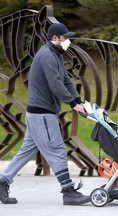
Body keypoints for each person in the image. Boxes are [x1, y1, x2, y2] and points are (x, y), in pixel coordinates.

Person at [0, 23, 90, 205]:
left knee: (27, 151)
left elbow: (65, 80)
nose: (68, 41)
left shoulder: (55, 55)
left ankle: (2, 181)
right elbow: (55, 84)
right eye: (65, 38)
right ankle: (68, 192)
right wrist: (72, 103)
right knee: (57, 150)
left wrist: (78, 100)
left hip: (38, 114)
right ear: (55, 38)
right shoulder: (47, 56)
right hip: (42, 113)